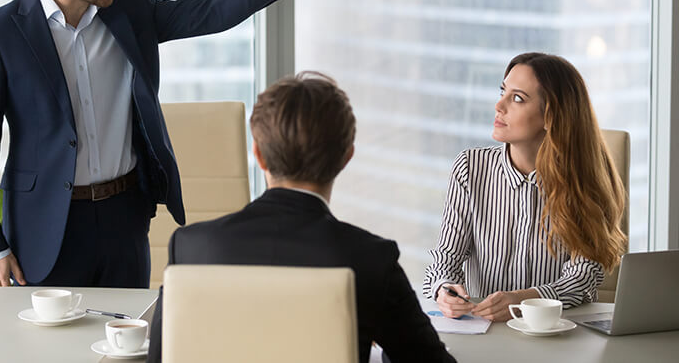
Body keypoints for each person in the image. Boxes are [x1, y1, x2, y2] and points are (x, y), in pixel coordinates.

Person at [0, 0, 331, 288]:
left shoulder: (126, 6)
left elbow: (206, 12)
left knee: (129, 342)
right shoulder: (0, 33)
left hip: (124, 216)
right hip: (45, 226)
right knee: (51, 351)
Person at [147, 71, 456, 363]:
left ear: (258, 154)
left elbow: (161, 357)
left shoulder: (190, 247)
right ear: (346, 157)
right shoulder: (371, 259)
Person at [423, 52, 627, 322]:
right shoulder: (469, 168)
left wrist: (525, 300)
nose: (499, 105)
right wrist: (444, 290)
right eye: (502, 91)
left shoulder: (584, 180)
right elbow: (446, 257)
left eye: (517, 98)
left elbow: (583, 279)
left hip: (556, 337)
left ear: (551, 116)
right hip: (486, 334)